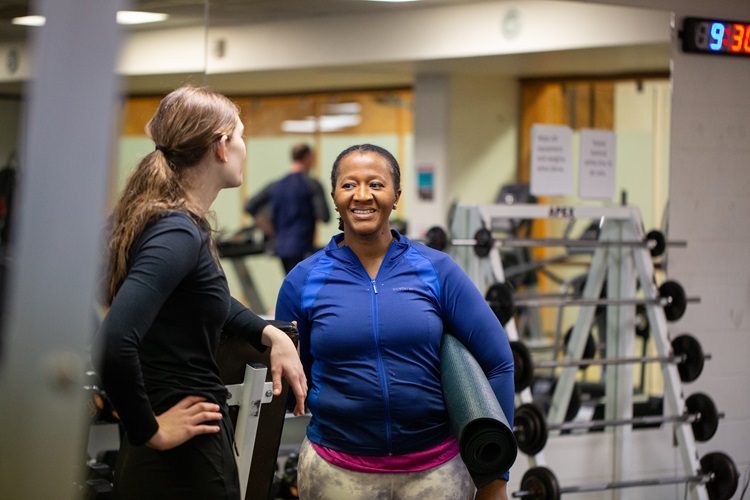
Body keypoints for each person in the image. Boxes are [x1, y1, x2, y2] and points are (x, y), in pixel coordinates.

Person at [92, 85, 307, 500]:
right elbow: (113, 343)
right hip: (184, 452)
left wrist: (269, 334)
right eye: (241, 136)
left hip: (178, 443)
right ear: (222, 147)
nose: (245, 146)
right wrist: (151, 430)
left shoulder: (175, 223)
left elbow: (201, 298)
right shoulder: (175, 230)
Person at [274, 144, 515, 500]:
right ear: (334, 196)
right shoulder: (302, 280)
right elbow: (295, 374)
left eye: (375, 184)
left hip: (436, 473)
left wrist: (495, 477)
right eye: (349, 185)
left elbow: (499, 362)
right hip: (336, 472)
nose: (362, 196)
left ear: (396, 195)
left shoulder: (437, 270)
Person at [244, 143, 330, 274]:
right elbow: (324, 216)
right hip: (304, 248)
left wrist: (271, 230)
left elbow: (250, 206)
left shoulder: (276, 185)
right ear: (307, 158)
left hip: (282, 248)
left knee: (291, 285)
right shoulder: (312, 185)